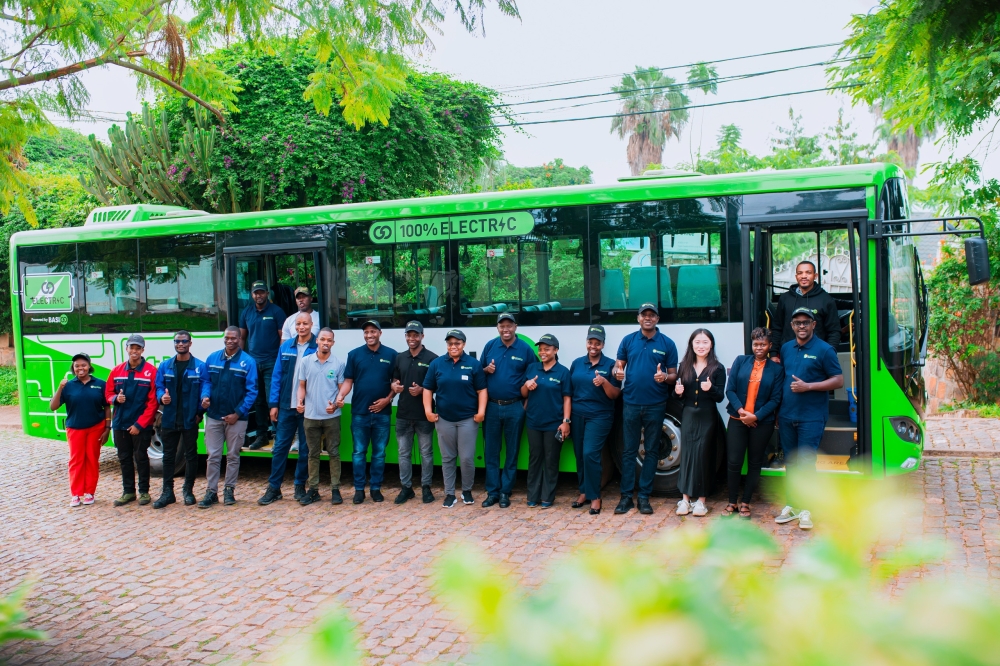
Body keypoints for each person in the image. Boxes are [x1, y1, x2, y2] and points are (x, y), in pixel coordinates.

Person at [774, 307, 843, 531]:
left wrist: (808, 387)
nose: (801, 326)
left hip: (811, 417)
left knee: (805, 462)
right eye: (797, 323)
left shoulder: (825, 350)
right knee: (791, 462)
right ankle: (793, 505)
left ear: (814, 324)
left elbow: (838, 380)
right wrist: (777, 412)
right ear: (792, 326)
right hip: (786, 415)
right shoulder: (786, 348)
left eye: (806, 322)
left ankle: (808, 509)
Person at [613, 303, 678, 516]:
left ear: (657, 319)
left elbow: (673, 375)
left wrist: (665, 378)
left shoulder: (667, 343)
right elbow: (618, 366)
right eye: (644, 315)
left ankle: (643, 497)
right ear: (638, 318)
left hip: (656, 405)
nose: (648, 318)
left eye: (652, 315)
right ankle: (625, 498)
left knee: (651, 451)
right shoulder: (628, 340)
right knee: (629, 451)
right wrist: (617, 373)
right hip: (630, 403)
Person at [422, 329, 487, 508]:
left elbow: (482, 390)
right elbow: (427, 388)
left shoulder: (473, 364)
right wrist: (428, 410)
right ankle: (449, 493)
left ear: (463, 345)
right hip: (444, 419)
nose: (453, 346)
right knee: (448, 458)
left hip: (468, 419)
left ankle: (467, 491)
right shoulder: (437, 364)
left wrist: (481, 411)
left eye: (457, 343)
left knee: (466, 458)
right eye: (450, 343)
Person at [724, 327, 784, 520]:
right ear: (752, 344)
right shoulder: (740, 361)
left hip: (761, 423)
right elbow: (730, 390)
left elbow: (775, 399)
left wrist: (755, 416)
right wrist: (742, 412)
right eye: (756, 344)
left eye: (763, 344)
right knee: (734, 461)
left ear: (770, 346)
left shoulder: (776, 369)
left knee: (755, 462)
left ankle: (746, 502)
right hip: (737, 420)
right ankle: (732, 501)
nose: (759, 348)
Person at [335, 320, 397, 504]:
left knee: (379, 453)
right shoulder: (354, 355)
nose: (369, 335)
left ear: (380, 333)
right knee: (358, 452)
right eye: (366, 332)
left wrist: (388, 399)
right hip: (360, 413)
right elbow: (348, 381)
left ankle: (376, 488)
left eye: (373, 331)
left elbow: (396, 382)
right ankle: (359, 490)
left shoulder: (391, 355)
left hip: (382, 414)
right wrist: (341, 395)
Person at [257, 312, 316, 505]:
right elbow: (276, 377)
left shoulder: (317, 347)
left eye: (305, 324)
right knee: (280, 448)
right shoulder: (285, 347)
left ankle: (300, 485)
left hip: (308, 409)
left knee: (305, 450)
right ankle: (274, 488)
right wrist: (273, 404)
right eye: (298, 324)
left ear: (311, 325)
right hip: (285, 406)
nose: (301, 327)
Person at [481, 313, 537, 508]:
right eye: (502, 326)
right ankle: (492, 492)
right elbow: (479, 373)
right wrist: (486, 370)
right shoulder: (490, 346)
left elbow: (534, 376)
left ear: (516, 327)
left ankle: (505, 492)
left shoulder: (525, 349)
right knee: (491, 452)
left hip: (515, 406)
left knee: (512, 452)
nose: (506, 329)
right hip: (492, 406)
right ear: (497, 327)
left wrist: (526, 403)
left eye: (509, 325)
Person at [200, 326, 258, 508]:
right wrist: (205, 397)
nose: (230, 341)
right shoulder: (212, 358)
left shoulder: (248, 362)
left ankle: (229, 490)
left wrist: (238, 413)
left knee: (233, 456)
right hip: (214, 416)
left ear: (240, 339)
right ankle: (211, 492)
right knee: (213, 456)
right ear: (223, 338)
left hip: (237, 419)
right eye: (227, 337)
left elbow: (252, 391)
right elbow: (206, 381)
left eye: (234, 338)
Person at [153, 331, 210, 509]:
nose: (180, 344)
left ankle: (188, 491)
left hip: (190, 419)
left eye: (184, 341)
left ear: (190, 343)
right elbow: (159, 386)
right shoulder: (165, 366)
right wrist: (162, 397)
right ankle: (167, 492)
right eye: (177, 341)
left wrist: (204, 402)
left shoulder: (199, 366)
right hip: (169, 419)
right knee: (168, 457)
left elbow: (205, 386)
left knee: (191, 456)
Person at [674, 329, 726, 518]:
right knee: (687, 456)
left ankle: (701, 502)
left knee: (704, 456)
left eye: (705, 342)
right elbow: (677, 396)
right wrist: (678, 392)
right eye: (697, 342)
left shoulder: (717, 368)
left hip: (707, 417)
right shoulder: (684, 366)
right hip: (688, 415)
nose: (701, 346)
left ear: (711, 344)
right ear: (691, 344)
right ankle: (685, 499)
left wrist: (711, 388)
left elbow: (720, 397)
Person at [569, 325, 621, 515]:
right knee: (580, 455)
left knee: (590, 453)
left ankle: (595, 496)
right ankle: (584, 492)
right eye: (590, 342)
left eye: (597, 343)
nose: (593, 346)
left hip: (600, 416)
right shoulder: (576, 363)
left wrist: (605, 382)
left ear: (603, 344)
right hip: (577, 415)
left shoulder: (610, 365)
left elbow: (615, 394)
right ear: (586, 343)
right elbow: (570, 392)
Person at [104, 334, 159, 507]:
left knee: (141, 457)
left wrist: (139, 425)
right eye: (131, 347)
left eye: (138, 348)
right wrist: (115, 399)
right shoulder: (117, 370)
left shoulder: (151, 371)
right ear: (126, 349)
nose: (134, 351)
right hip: (120, 423)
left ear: (143, 350)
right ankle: (128, 492)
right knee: (124, 458)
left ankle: (144, 492)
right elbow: (108, 394)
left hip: (140, 425)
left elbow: (153, 403)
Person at [50, 353, 110, 507]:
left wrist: (107, 428)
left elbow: (107, 406)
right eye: (77, 366)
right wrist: (60, 388)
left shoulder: (100, 384)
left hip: (96, 427)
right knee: (76, 461)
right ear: (73, 368)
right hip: (75, 429)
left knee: (92, 459)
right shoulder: (68, 386)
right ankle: (76, 494)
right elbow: (53, 406)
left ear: (89, 366)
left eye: (83, 365)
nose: (80, 368)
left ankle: (90, 492)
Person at [296, 327, 346, 506]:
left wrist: (339, 401)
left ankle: (335, 489)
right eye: (323, 339)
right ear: (316, 340)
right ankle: (313, 490)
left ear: (333, 343)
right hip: (310, 416)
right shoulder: (306, 361)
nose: (326, 343)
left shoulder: (338, 364)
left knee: (334, 453)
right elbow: (302, 385)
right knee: (313, 454)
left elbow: (341, 390)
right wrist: (299, 400)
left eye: (329, 340)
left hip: (331, 416)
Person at [522, 334, 572, 509]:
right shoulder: (532, 368)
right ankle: (532, 496)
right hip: (534, 422)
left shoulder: (563, 372)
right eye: (541, 349)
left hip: (554, 424)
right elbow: (522, 392)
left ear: (555, 350)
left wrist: (566, 421)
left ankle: (547, 497)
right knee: (535, 458)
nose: (542, 352)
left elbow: (567, 398)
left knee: (551, 460)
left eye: (547, 349)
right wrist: (526, 385)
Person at [391, 321, 438, 504]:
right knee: (404, 454)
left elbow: (437, 385)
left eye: (415, 335)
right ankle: (406, 488)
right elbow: (394, 380)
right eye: (409, 335)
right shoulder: (400, 358)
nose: (412, 338)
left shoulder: (432, 359)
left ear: (422, 336)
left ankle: (426, 487)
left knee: (426, 453)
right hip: (403, 414)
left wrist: (423, 390)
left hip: (424, 414)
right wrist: (394, 385)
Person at [239, 280, 286, 450]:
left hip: (272, 362)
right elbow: (242, 337)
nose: (259, 295)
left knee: (272, 399)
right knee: (258, 401)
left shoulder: (277, 312)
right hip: (253, 363)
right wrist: (241, 360)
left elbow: (283, 337)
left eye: (262, 292)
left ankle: (279, 435)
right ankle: (262, 436)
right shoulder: (246, 312)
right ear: (252, 295)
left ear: (267, 293)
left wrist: (281, 360)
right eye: (256, 293)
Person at [770, 260, 841, 353]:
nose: (804, 276)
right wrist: (774, 353)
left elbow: (834, 331)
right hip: (788, 354)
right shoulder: (785, 298)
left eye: (808, 272)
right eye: (800, 273)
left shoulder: (826, 299)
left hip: (816, 355)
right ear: (796, 277)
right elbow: (777, 328)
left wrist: (829, 354)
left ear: (815, 276)